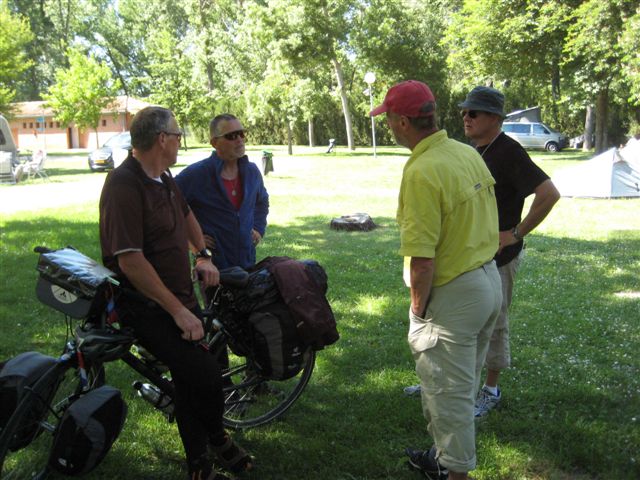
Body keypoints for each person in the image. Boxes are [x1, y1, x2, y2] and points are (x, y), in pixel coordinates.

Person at [99, 106, 252, 480]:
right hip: (145, 305)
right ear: (162, 139)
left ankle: (201, 459)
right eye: (178, 134)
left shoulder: (163, 177)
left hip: (179, 297)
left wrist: (202, 254)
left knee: (196, 374)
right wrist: (177, 311)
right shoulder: (124, 184)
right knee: (201, 372)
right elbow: (131, 262)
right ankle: (214, 442)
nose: (181, 140)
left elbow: (185, 216)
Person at [371, 80, 502, 480]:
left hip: (454, 293)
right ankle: (443, 459)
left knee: (450, 399)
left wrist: (418, 308)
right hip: (487, 281)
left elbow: (422, 259)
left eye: (390, 119)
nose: (388, 126)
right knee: (459, 387)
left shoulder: (423, 170)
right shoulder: (465, 153)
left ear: (405, 121)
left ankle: (454, 472)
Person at [458, 86, 560, 417]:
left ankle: (490, 389)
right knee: (464, 319)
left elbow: (549, 193)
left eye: (473, 112)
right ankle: (459, 385)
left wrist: (515, 234)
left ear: (495, 118)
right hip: (470, 255)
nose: (466, 117)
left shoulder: (510, 152)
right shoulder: (471, 150)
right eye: (464, 111)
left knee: (495, 321)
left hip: (500, 258)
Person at [176, 114, 269, 270]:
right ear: (214, 143)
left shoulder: (252, 171)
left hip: (247, 263)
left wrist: (258, 227)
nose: (239, 139)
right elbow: (165, 205)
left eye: (241, 133)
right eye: (231, 136)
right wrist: (190, 240)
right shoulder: (196, 174)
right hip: (213, 268)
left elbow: (262, 201)